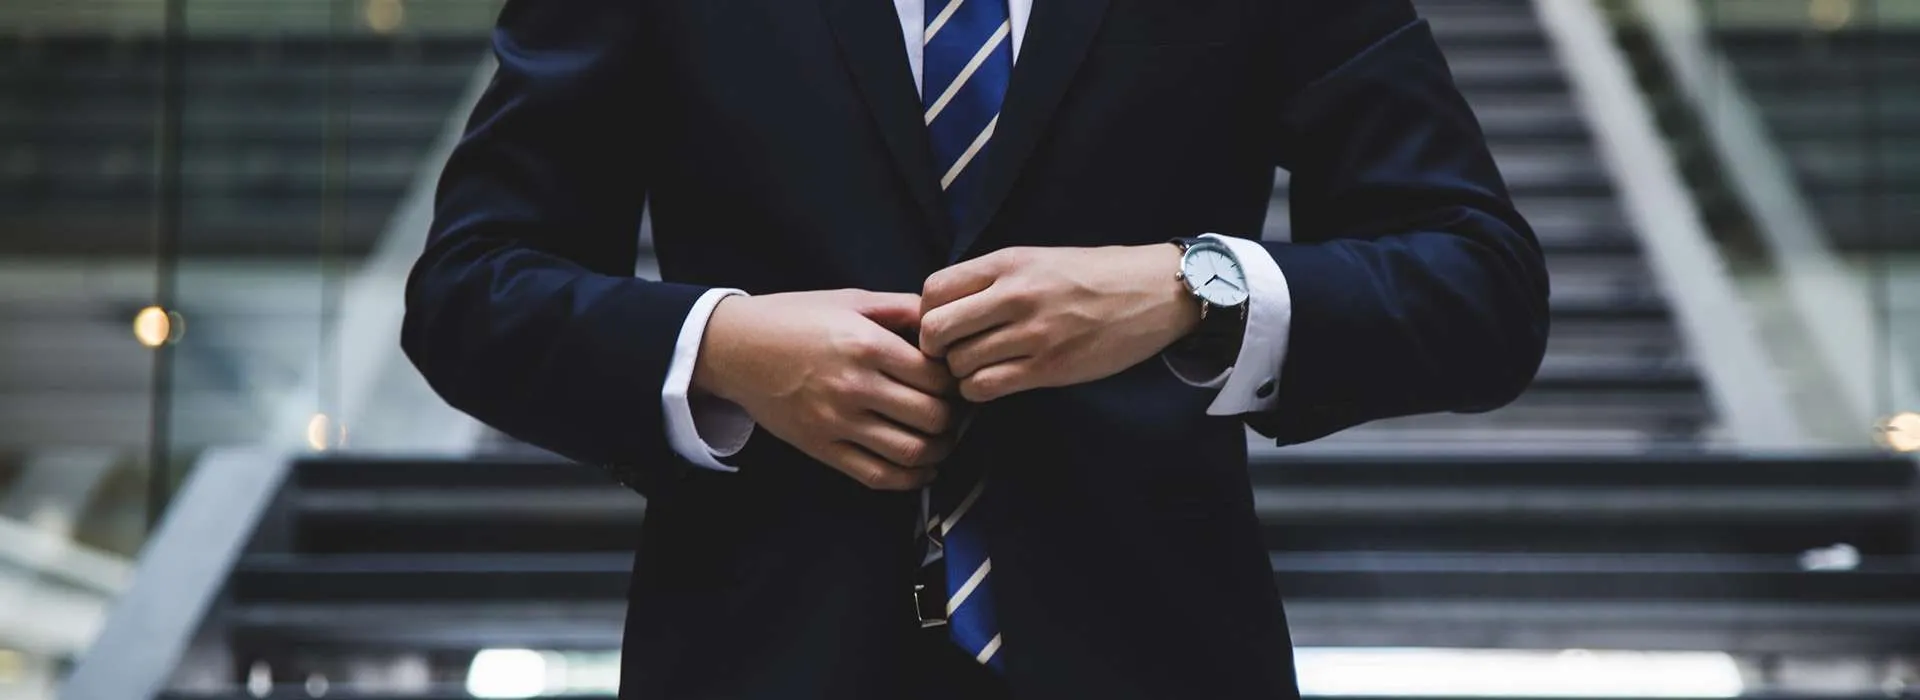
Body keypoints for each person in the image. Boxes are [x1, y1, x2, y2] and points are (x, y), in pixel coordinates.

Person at [401, 0, 1550, 696]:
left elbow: (1481, 282)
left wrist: (1192, 285)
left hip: (1159, 657)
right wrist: (722, 346)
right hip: (759, 658)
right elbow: (468, 287)